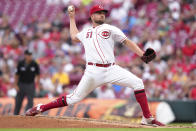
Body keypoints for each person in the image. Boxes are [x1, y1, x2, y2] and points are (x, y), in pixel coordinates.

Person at [25, 5, 164, 126]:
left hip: (111, 69)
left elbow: (127, 42)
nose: (102, 14)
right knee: (74, 98)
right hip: (93, 71)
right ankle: (41, 107)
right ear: (92, 16)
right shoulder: (86, 32)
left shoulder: (110, 28)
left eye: (103, 13)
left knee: (138, 83)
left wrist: (141, 54)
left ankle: (147, 118)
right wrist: (72, 18)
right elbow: (74, 37)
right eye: (98, 12)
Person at [14, 50, 40, 115]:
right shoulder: (20, 63)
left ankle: (28, 114)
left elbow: (38, 75)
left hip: (30, 84)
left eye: (30, 55)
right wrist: (16, 85)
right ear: (25, 55)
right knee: (18, 100)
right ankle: (15, 115)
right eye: (28, 55)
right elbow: (17, 75)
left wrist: (37, 85)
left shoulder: (34, 64)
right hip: (21, 84)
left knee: (30, 101)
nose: (30, 56)